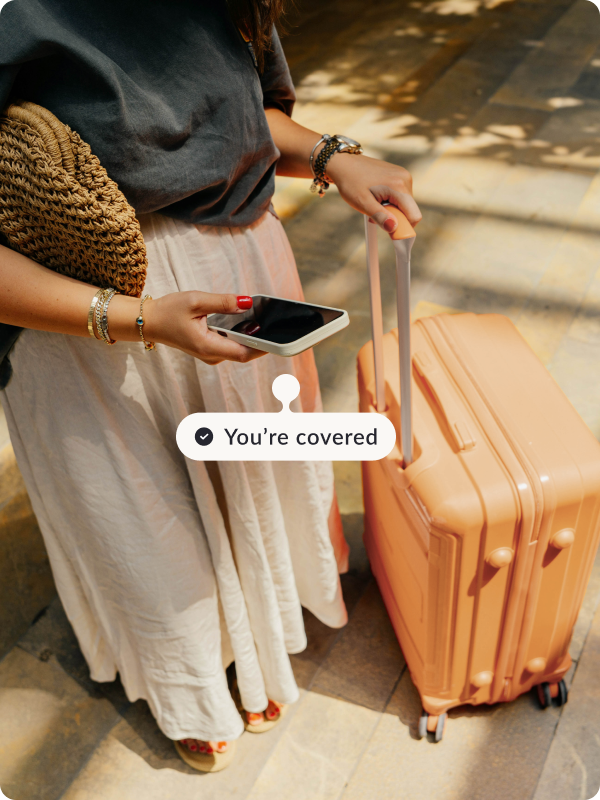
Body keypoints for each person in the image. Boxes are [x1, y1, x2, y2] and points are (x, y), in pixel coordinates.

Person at [0, 0, 421, 772]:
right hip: (84, 310)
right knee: (138, 516)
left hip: (238, 271)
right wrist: (133, 315)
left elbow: (243, 117)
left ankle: (248, 644)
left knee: (251, 480)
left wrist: (331, 156)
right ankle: (190, 679)